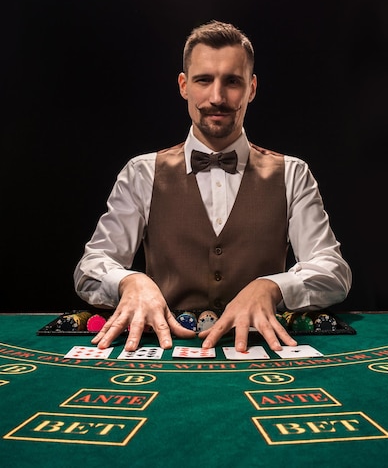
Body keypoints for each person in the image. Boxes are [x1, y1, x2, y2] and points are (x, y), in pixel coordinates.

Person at [74, 20, 352, 353]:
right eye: (204, 80)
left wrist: (272, 287)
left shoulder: (292, 173)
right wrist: (129, 281)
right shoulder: (141, 173)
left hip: (260, 351)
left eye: (232, 82)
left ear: (251, 88)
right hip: (165, 351)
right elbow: (89, 269)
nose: (217, 97)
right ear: (184, 86)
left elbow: (334, 272)